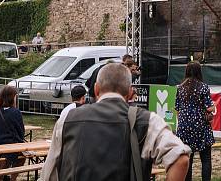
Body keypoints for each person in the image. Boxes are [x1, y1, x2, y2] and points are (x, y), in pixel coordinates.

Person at [42, 62, 190, 181]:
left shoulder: (67, 119)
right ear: (131, 92)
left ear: (96, 89)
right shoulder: (148, 121)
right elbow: (181, 159)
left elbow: (49, 173)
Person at [175, 61, 216, 181]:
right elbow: (209, 107)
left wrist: (183, 122)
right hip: (200, 126)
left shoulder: (180, 88)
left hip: (184, 126)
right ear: (199, 72)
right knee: (206, 159)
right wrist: (212, 107)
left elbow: (177, 108)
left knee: (188, 159)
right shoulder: (203, 87)